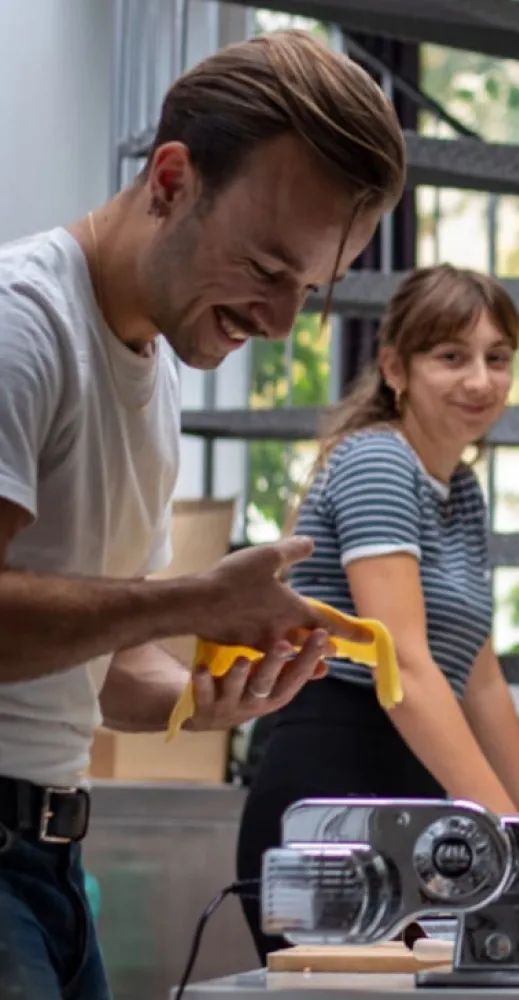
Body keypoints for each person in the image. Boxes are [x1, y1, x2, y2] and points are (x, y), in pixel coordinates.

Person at [0, 29, 406, 1000]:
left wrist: (202, 695)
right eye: (265, 267)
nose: (278, 322)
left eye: (307, 289)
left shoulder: (155, 378)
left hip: (46, 859)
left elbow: (102, 675)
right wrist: (185, 597)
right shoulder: (23, 325)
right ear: (173, 180)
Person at [236, 264, 519, 962]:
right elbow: (403, 661)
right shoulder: (378, 461)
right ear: (394, 368)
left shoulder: (460, 489)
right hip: (336, 795)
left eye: (497, 358)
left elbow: (479, 679)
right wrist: (508, 831)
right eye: (452, 356)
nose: (481, 380)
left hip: (414, 801)